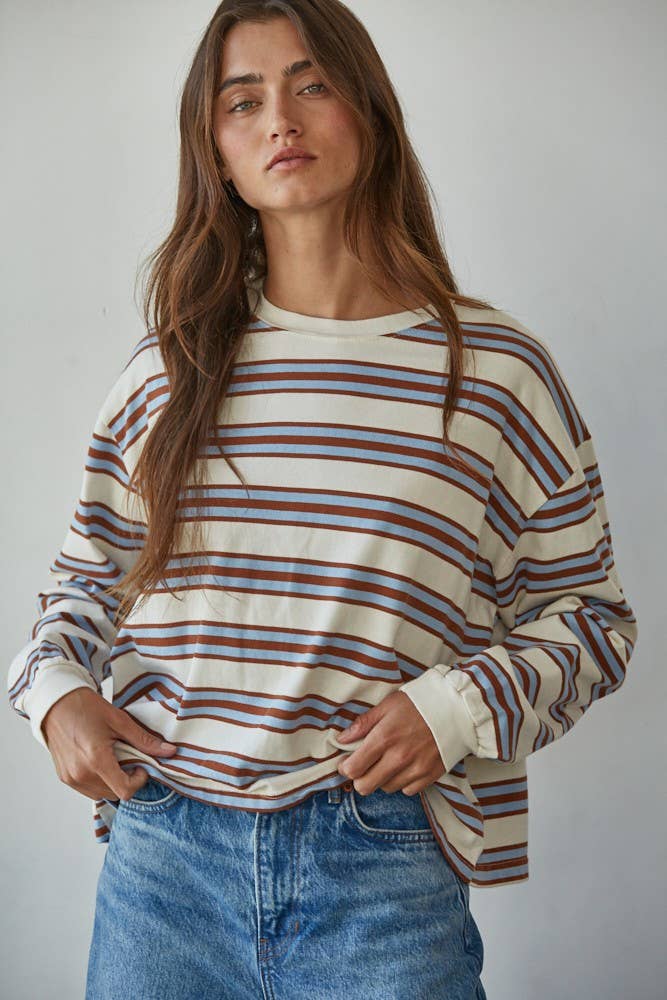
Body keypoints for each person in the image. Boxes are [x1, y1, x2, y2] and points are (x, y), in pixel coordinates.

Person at [7, 2, 639, 998]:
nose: (280, 120)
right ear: (216, 154)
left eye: (312, 84)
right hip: (163, 863)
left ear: (369, 113)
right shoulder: (169, 370)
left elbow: (591, 621)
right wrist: (54, 696)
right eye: (242, 101)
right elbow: (85, 581)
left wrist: (454, 708)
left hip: (378, 865)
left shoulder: (494, 374)